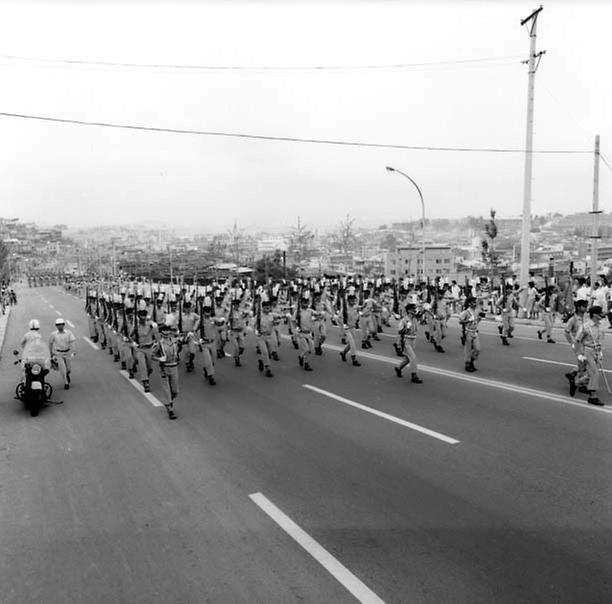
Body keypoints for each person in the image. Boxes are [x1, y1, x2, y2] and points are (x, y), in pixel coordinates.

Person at [574, 305, 606, 406]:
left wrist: (600, 352)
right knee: (595, 373)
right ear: (595, 314)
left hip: (596, 351)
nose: (602, 314)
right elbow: (577, 341)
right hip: (587, 351)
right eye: (600, 312)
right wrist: (579, 354)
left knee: (590, 375)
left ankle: (576, 383)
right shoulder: (585, 326)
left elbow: (599, 340)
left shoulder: (600, 326)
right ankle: (593, 397)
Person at [152, 324, 180, 419]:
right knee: (166, 389)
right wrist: (159, 359)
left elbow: (181, 344)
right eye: (164, 332)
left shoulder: (174, 342)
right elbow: (152, 356)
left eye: (168, 331)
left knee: (175, 391)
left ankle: (169, 401)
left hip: (174, 367)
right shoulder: (159, 344)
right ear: (161, 333)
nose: (167, 333)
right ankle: (170, 409)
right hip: (164, 368)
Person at [564, 299, 588, 397]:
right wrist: (572, 343)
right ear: (578, 307)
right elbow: (566, 332)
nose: (586, 308)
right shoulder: (573, 319)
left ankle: (573, 373)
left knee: (586, 363)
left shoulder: (586, 317)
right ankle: (581, 385)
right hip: (578, 344)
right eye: (584, 306)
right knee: (583, 364)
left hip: (587, 343)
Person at [394, 303, 422, 383]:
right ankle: (414, 375)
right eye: (413, 309)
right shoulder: (404, 320)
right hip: (406, 340)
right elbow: (400, 331)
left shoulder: (414, 319)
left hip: (413, 340)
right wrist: (406, 329)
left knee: (408, 358)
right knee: (413, 357)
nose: (415, 311)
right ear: (409, 310)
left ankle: (398, 368)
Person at [48, 318, 77, 390]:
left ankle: (67, 374)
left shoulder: (68, 333)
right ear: (56, 326)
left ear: (63, 325)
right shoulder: (53, 334)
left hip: (67, 352)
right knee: (62, 369)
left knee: (68, 369)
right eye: (58, 325)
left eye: (61, 324)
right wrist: (51, 353)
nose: (59, 326)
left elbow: (72, 341)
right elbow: (50, 343)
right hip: (58, 353)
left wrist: (74, 350)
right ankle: (66, 383)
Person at [459, 297, 484, 372]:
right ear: (469, 303)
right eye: (473, 302)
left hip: (475, 331)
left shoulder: (476, 311)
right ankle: (467, 364)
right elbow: (460, 321)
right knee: (468, 349)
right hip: (468, 331)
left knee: (477, 349)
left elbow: (476, 321)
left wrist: (480, 318)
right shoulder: (466, 312)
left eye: (475, 302)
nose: (475, 303)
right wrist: (467, 320)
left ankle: (472, 361)